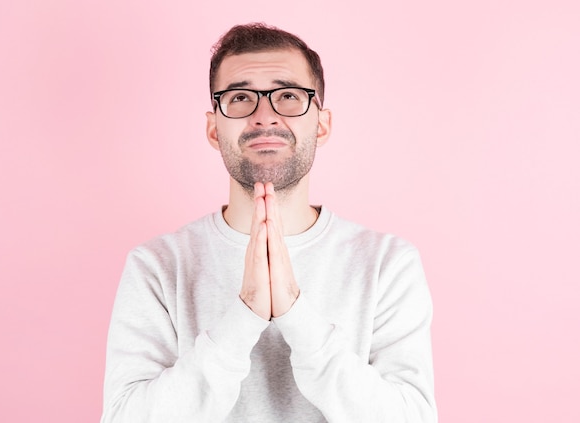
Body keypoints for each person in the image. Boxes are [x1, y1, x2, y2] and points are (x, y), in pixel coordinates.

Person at [101, 23, 437, 423]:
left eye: (289, 96)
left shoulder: (387, 263)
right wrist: (244, 316)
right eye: (240, 97)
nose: (264, 116)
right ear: (213, 128)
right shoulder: (156, 265)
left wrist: (296, 313)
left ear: (322, 124)